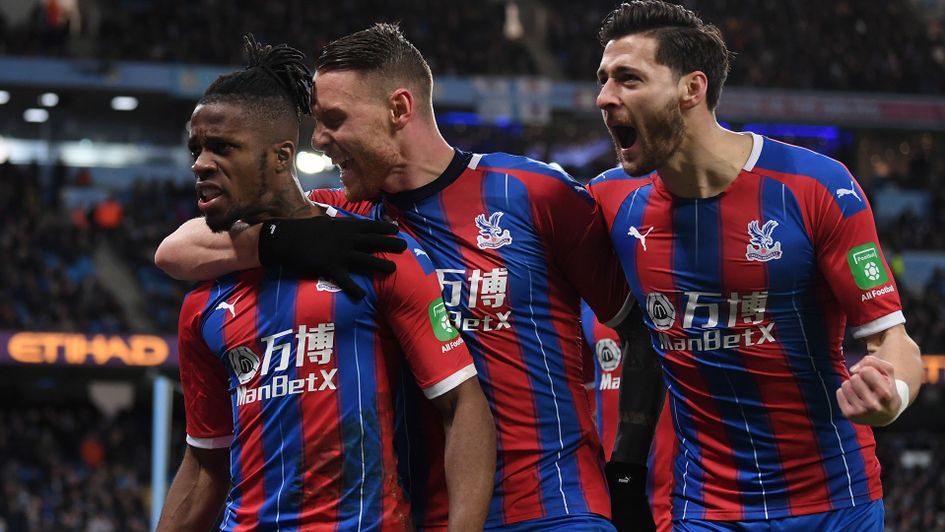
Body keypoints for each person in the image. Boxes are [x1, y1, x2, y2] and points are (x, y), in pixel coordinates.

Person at [155, 23, 662, 531]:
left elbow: (640, 331)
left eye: (335, 120)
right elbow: (175, 250)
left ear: (399, 109)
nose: (320, 139)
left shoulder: (534, 192)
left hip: (555, 507)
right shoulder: (347, 222)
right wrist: (280, 241)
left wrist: (626, 472)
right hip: (427, 514)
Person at [589, 1, 924, 530]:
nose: (605, 97)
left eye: (628, 79)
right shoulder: (608, 202)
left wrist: (892, 394)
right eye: (604, 79)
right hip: (706, 509)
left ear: (692, 89)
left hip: (836, 501)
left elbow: (894, 342)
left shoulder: (816, 187)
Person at [156, 36, 495, 531]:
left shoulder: (376, 253)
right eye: (197, 149)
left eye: (223, 148)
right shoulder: (203, 297)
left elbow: (461, 403)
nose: (201, 163)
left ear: (281, 156)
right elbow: (205, 462)